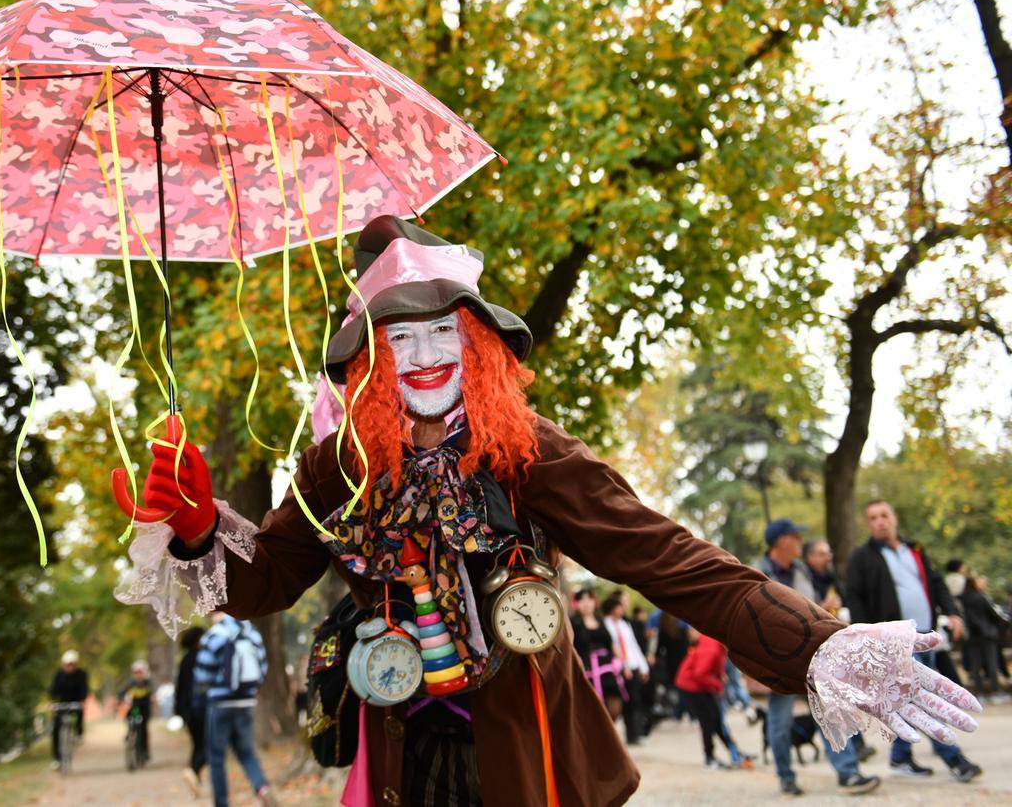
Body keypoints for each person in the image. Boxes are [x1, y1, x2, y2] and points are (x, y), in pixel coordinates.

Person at [115, 215, 980, 806]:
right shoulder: (339, 465)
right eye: (398, 338)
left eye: (443, 332)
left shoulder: (527, 450)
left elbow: (663, 556)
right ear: (368, 359)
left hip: (527, 751)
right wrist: (195, 526)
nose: (422, 356)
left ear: (480, 344)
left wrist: (822, 642)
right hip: (400, 754)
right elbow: (266, 579)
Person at [845, 499, 983, 783]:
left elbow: (935, 583)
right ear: (867, 524)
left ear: (894, 518)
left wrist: (953, 613)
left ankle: (900, 757)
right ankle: (955, 760)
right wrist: (870, 641)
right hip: (896, 642)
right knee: (926, 700)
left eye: (884, 515)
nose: (880, 521)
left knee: (910, 700)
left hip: (928, 636)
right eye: (873, 518)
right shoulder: (861, 558)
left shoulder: (915, 549)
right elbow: (856, 602)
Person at [754, 519, 880, 795]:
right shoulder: (757, 572)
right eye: (795, 537)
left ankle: (848, 773)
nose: (800, 541)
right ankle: (786, 776)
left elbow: (806, 608)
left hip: (812, 654)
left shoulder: (801, 570)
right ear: (780, 541)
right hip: (779, 658)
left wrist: (823, 608)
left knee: (832, 713)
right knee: (780, 721)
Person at [194, 612, 276, 807]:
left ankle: (222, 803)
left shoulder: (214, 635)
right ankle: (262, 788)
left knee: (216, 757)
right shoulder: (252, 634)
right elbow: (263, 668)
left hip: (220, 704)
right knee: (247, 752)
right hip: (247, 702)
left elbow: (202, 674)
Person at [674, 627, 742, 769]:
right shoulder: (712, 649)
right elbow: (700, 674)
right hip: (690, 685)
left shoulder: (716, 644)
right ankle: (709, 758)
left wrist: (720, 674)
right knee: (708, 721)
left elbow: (715, 663)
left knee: (717, 719)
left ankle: (734, 752)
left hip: (701, 685)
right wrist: (718, 685)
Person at [569, 588, 625, 721]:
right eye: (582, 600)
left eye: (589, 599)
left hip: (607, 670)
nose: (586, 603)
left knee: (614, 707)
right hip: (586, 671)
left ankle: (608, 735)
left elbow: (611, 644)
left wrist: (621, 662)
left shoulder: (601, 621)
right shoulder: (573, 623)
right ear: (577, 604)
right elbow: (570, 647)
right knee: (590, 709)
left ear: (594, 602)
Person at [603, 591, 650, 745]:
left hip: (633, 667)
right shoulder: (605, 625)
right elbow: (613, 648)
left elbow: (633, 647)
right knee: (619, 704)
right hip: (618, 670)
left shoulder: (624, 624)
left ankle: (634, 734)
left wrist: (643, 667)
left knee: (635, 702)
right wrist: (623, 667)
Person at [960, 575, 1008, 701]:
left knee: (975, 665)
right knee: (992, 663)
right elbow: (993, 614)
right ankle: (995, 691)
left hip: (971, 635)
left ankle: (979, 693)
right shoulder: (981, 597)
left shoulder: (963, 598)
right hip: (987, 634)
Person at [174, 626, 208, 796]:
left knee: (197, 744)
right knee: (208, 745)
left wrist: (179, 710)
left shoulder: (185, 659)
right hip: (200, 708)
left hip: (187, 710)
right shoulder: (201, 657)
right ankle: (193, 771)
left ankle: (196, 782)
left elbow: (179, 687)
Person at [48, 650, 89, 769]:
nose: (69, 667)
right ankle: (57, 759)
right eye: (67, 664)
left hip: (75, 703)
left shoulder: (81, 674)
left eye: (72, 664)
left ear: (76, 664)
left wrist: (82, 700)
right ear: (63, 664)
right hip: (61, 704)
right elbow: (53, 690)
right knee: (56, 728)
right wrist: (52, 701)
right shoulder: (59, 674)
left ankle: (78, 733)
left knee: (79, 713)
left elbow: (84, 689)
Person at [116, 659, 153, 765]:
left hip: (145, 708)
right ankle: (130, 733)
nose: (138, 675)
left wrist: (154, 698)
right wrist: (120, 698)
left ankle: (144, 751)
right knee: (130, 721)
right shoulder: (130, 683)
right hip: (134, 708)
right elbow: (121, 692)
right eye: (136, 672)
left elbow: (154, 692)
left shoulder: (148, 683)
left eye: (140, 672)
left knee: (144, 729)